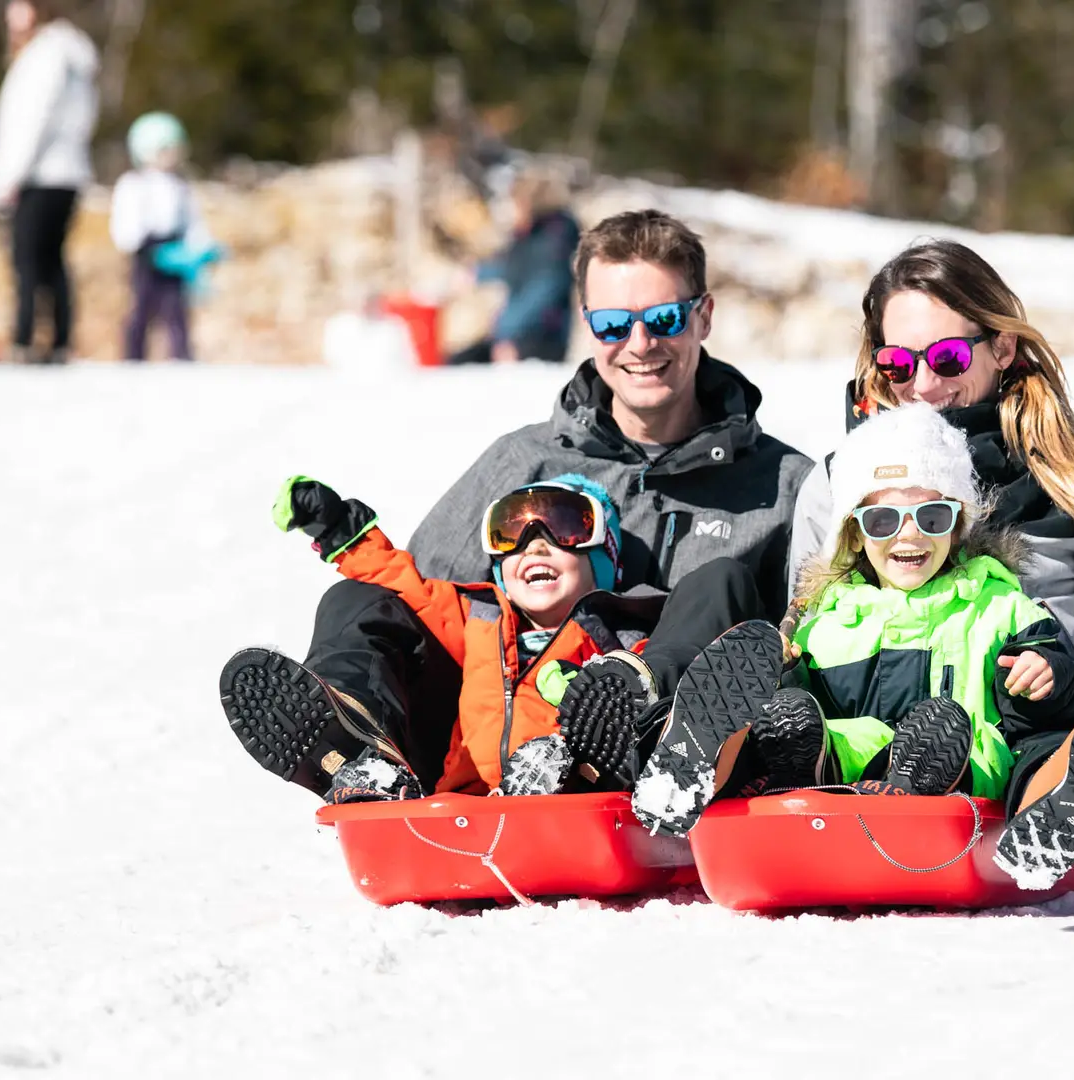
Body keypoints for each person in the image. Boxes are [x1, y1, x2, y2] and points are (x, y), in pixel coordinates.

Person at [291, 209, 809, 796]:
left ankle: (654, 744)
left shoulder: (782, 485)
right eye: (614, 324)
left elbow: (826, 634)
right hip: (504, 746)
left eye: (664, 318)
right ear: (588, 325)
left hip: (674, 767)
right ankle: (353, 747)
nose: (640, 344)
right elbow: (422, 603)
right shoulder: (524, 462)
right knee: (362, 600)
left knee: (723, 585)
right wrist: (349, 542)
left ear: (704, 316)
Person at [630, 406, 1074, 892]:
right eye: (883, 520)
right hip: (846, 766)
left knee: (1000, 739)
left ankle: (1054, 813)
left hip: (968, 763)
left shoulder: (1000, 604)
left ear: (957, 524)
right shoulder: (831, 617)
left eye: (931, 518)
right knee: (786, 716)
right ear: (855, 533)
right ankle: (691, 769)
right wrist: (785, 677)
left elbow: (1048, 703)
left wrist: (1046, 678)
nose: (908, 536)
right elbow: (810, 703)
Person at [788, 239, 1074, 716]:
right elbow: (807, 612)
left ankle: (1073, 778)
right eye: (898, 363)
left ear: (1002, 345)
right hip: (869, 732)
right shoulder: (836, 483)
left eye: (949, 358)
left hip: (1035, 731)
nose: (924, 385)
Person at [220, 473, 768, 802]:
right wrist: (341, 530)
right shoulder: (478, 619)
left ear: (605, 558)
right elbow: (398, 584)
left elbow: (661, 648)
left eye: (566, 527)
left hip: (588, 787)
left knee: (705, 594)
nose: (535, 543)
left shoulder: (623, 631)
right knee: (355, 602)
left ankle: (635, 757)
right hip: (467, 798)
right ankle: (356, 741)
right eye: (513, 530)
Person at [0, 0, 97, 365]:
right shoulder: (73, 57)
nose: (9, 18)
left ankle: (25, 339)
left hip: (40, 173)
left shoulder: (45, 56)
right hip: (68, 171)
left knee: (28, 259)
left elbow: (33, 120)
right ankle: (60, 340)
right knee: (51, 259)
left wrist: (8, 177)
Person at [111, 112, 220, 362]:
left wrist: (202, 247)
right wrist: (134, 242)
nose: (172, 156)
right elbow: (125, 220)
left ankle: (181, 356)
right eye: (165, 150)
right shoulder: (134, 184)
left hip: (176, 252)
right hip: (146, 252)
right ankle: (133, 358)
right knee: (141, 307)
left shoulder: (181, 186)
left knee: (176, 308)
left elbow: (193, 221)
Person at [448, 167, 581, 366]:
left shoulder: (554, 239)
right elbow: (511, 265)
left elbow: (545, 290)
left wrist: (507, 333)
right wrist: (477, 273)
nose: (513, 210)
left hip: (541, 340)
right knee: (456, 361)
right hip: (515, 335)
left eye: (517, 202)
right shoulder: (528, 235)